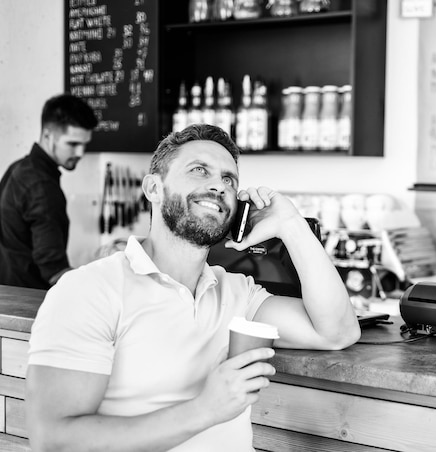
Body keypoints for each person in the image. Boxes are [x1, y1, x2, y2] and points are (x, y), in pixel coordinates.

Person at [26, 124, 361, 451]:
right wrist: (205, 410)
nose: (218, 185)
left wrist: (291, 225)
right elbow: (53, 440)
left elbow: (336, 332)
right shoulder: (89, 290)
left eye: (229, 179)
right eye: (200, 170)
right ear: (153, 189)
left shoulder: (237, 293)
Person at [0, 93, 98, 289]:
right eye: (73, 144)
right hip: (31, 301)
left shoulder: (18, 168)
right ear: (47, 136)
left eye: (84, 145)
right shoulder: (41, 187)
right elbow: (55, 272)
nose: (81, 153)